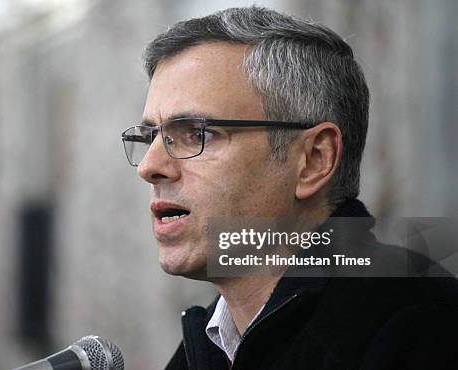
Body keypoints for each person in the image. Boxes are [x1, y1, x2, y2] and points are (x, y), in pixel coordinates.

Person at [120, 6, 458, 370]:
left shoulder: (417, 328)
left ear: (314, 159)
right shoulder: (205, 345)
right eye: (151, 137)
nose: (151, 167)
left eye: (196, 134)